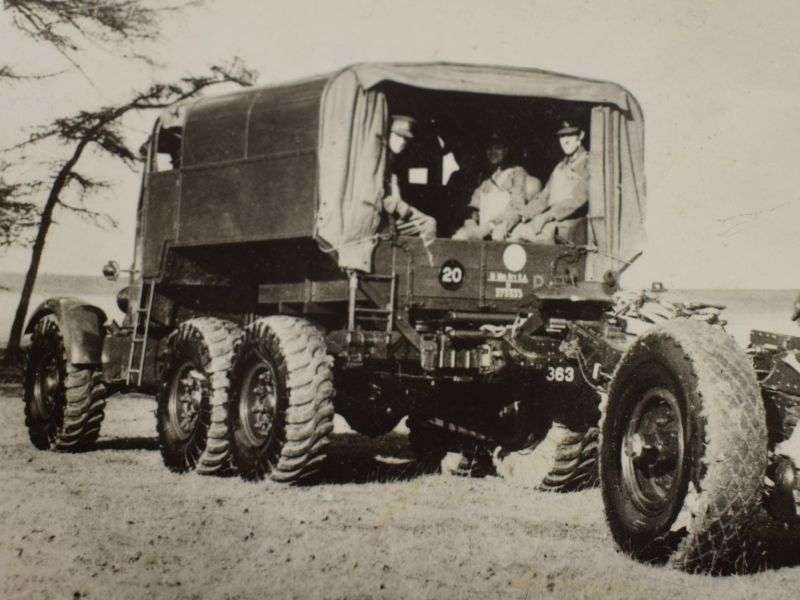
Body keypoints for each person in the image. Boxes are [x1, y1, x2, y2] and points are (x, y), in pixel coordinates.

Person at [507, 120, 589, 243]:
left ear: (581, 135)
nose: (565, 140)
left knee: (533, 236)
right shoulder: (560, 166)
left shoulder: (589, 162)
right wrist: (521, 215)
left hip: (573, 223)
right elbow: (544, 197)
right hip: (552, 220)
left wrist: (547, 216)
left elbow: (578, 198)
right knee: (514, 232)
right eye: (562, 136)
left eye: (570, 135)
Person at [452, 132, 536, 241]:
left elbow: (517, 206)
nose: (492, 152)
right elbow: (474, 206)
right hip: (482, 230)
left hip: (503, 229)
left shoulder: (517, 173)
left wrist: (491, 226)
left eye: (497, 148)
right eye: (489, 149)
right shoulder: (487, 179)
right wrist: (471, 222)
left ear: (506, 150)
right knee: (459, 238)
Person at [382, 115, 437, 242]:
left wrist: (401, 205)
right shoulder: (380, 159)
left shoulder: (392, 160)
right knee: (428, 223)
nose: (402, 142)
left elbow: (395, 191)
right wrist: (398, 205)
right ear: (388, 134)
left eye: (405, 138)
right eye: (397, 136)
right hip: (380, 217)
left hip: (391, 214)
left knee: (429, 223)